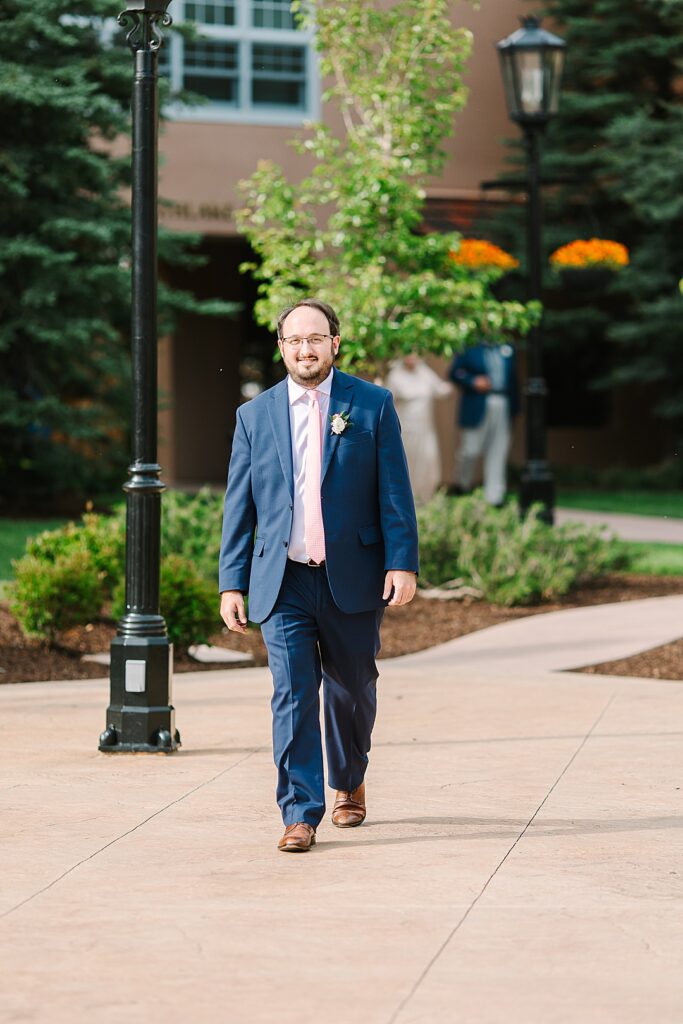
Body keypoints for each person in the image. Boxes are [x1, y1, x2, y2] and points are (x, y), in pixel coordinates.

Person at [218, 299, 419, 853]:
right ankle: (299, 812)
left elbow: (394, 491)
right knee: (293, 694)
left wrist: (402, 561)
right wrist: (230, 582)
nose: (304, 349)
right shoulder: (253, 415)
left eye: (315, 338)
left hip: (352, 574)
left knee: (352, 689)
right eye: (294, 340)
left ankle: (349, 780)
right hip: (281, 580)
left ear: (335, 342)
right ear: (281, 347)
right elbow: (240, 507)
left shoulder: (371, 405)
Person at [449, 338, 519, 506]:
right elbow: (454, 372)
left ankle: (495, 497)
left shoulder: (507, 347)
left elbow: (514, 380)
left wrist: (515, 411)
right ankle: (462, 487)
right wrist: (472, 381)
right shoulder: (469, 346)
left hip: (502, 402)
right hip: (477, 402)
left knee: (498, 450)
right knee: (470, 449)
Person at [385, 354, 453, 505]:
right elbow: (387, 403)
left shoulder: (425, 372)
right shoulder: (396, 375)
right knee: (408, 466)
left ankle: (426, 500)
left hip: (426, 430)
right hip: (406, 431)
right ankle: (408, 502)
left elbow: (442, 390)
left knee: (428, 463)